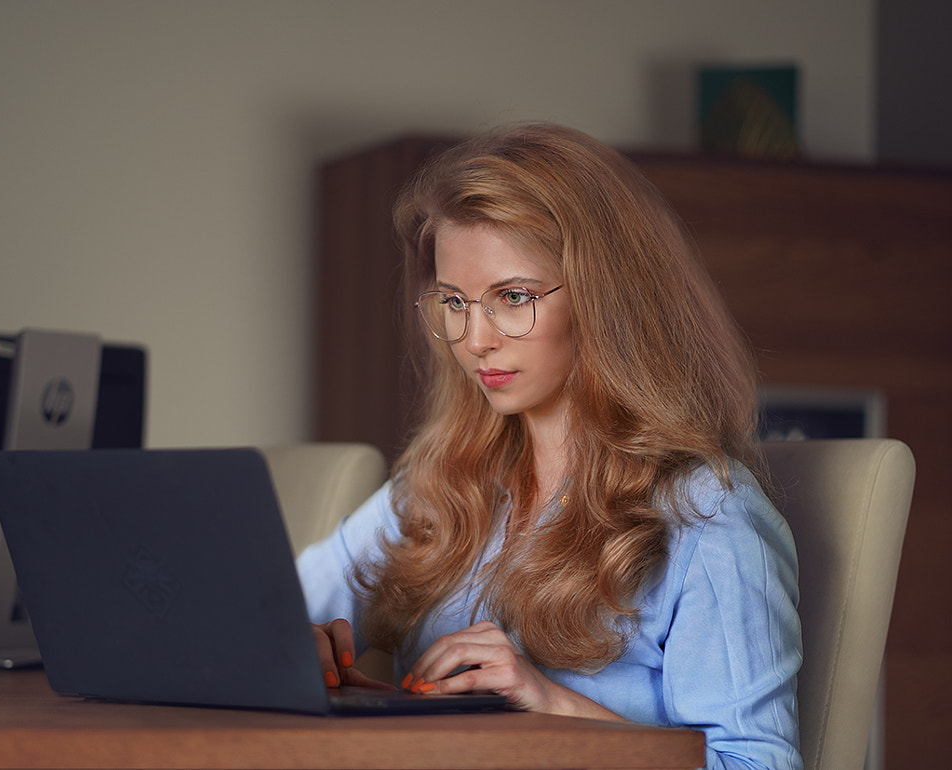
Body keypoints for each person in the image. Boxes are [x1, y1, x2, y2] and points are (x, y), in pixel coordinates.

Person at [297, 123, 801, 770]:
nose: (475, 339)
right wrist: (302, 650)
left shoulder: (706, 518)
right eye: (454, 301)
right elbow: (275, 613)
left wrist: (551, 706)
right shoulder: (440, 486)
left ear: (604, 300)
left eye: (512, 297)